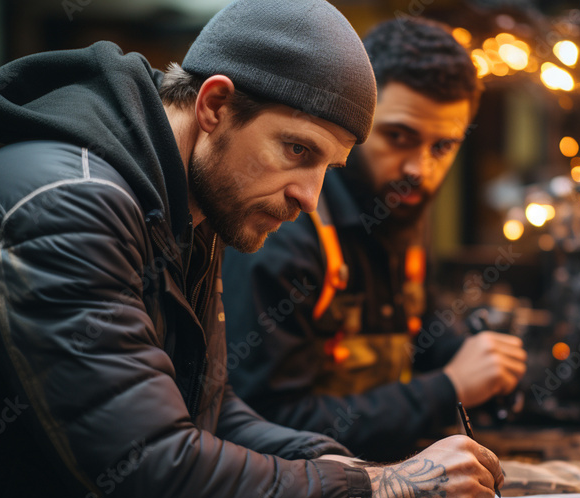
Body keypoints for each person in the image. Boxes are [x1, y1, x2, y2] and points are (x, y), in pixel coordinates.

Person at [0, 2, 504, 498]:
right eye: (297, 150)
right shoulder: (66, 204)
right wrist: (378, 492)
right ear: (216, 105)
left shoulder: (183, 200)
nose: (310, 196)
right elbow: (151, 476)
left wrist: (352, 468)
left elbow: (207, 411)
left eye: (329, 166)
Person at [222, 17, 528, 461]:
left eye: (442, 147)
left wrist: (474, 355)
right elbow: (264, 423)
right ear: (355, 119)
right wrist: (447, 388)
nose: (418, 170)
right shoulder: (286, 226)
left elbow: (420, 329)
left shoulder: (400, 208)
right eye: (399, 137)